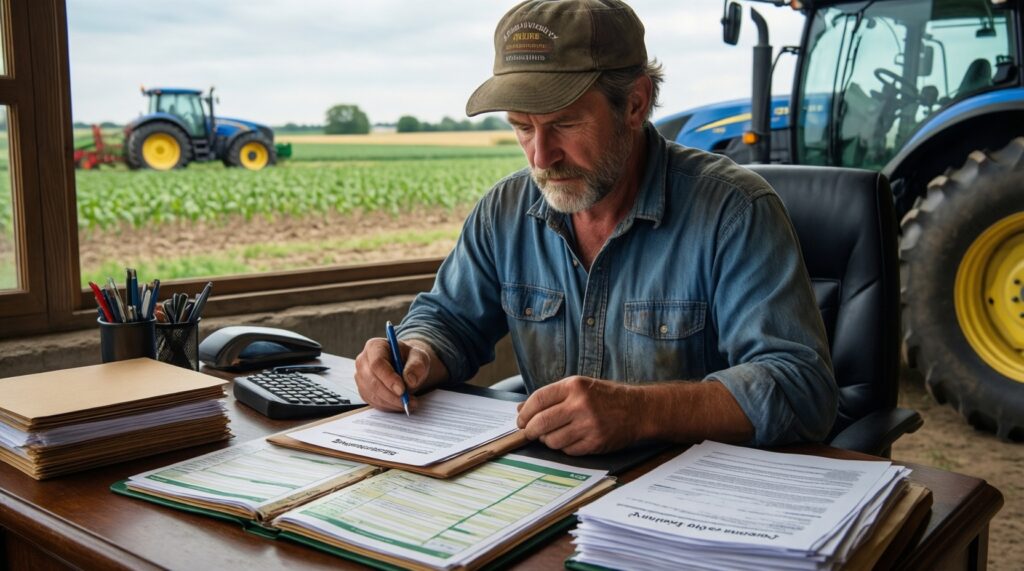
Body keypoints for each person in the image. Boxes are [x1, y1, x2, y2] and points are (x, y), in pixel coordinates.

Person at [355, 0, 837, 455]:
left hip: (696, 503)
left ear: (634, 104)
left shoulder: (734, 211)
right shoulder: (504, 211)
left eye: (564, 124)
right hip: (553, 492)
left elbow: (801, 389)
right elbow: (448, 323)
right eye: (523, 127)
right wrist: (413, 355)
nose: (541, 158)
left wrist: (640, 412)